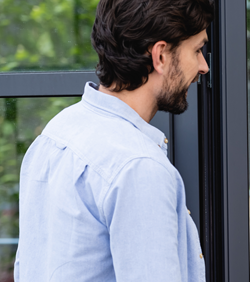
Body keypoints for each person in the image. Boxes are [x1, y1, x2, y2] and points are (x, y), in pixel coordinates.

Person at [14, 0, 213, 281]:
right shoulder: (139, 167)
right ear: (161, 56)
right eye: (196, 50)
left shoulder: (55, 133)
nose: (203, 66)